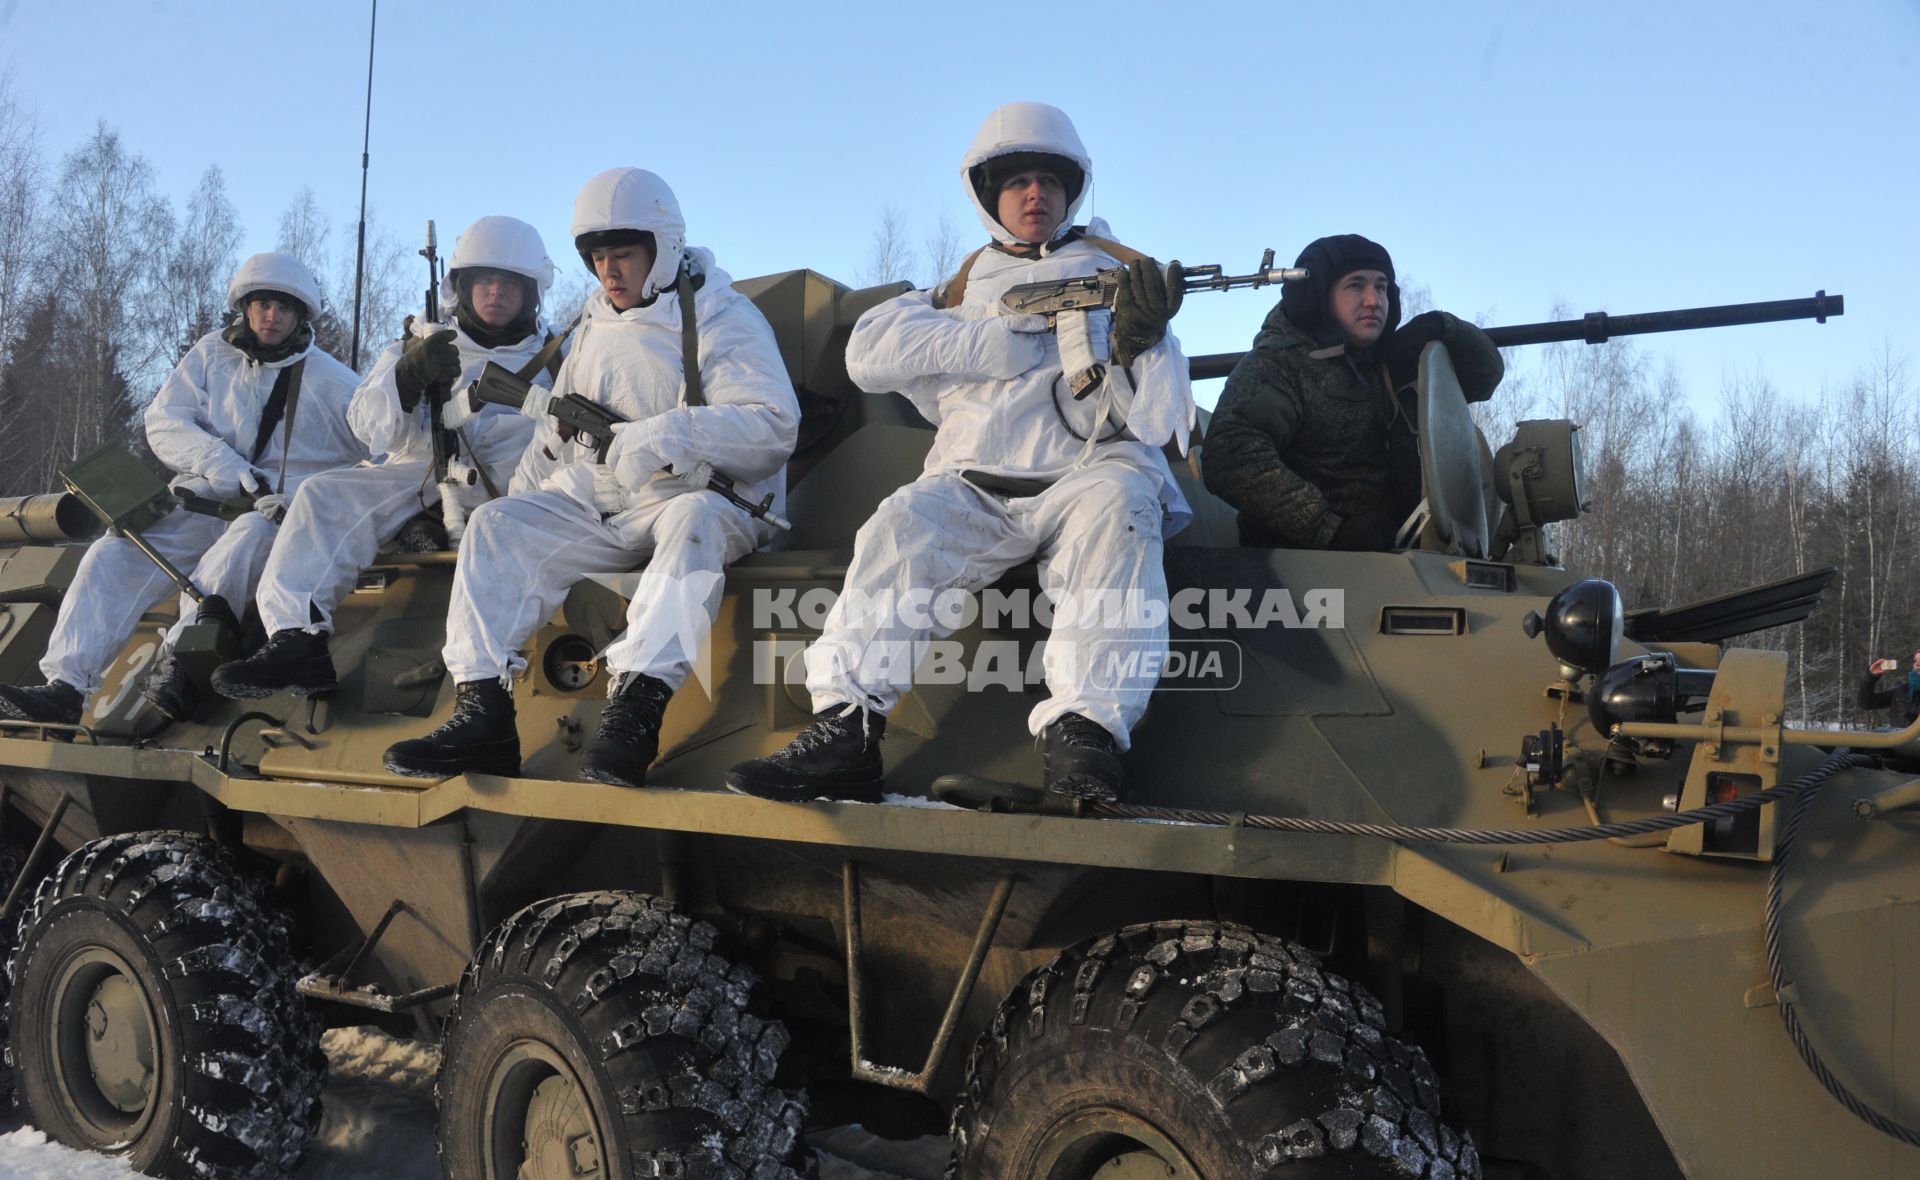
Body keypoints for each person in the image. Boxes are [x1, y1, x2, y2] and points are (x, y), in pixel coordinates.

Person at [725, 100, 1193, 805]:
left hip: (1087, 475)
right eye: (1018, 182)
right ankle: (846, 729)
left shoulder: (1123, 279)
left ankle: (1086, 739)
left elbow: (1161, 423)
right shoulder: (960, 285)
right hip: (975, 485)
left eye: (1050, 181)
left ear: (1072, 191)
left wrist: (1142, 343)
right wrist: (986, 340)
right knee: (899, 528)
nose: (1036, 195)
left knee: (1124, 510)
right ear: (987, 195)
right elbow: (868, 353)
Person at [381, 167, 799, 786]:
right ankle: (484, 714)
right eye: (598, 257)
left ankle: (634, 711)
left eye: (624, 255)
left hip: (700, 494)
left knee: (695, 523)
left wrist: (664, 434)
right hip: (604, 497)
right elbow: (557, 436)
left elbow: (772, 427)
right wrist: (519, 506)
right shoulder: (594, 322)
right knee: (495, 526)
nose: (609, 271)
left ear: (663, 249)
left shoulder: (721, 318)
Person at [0, 252, 363, 725]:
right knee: (111, 557)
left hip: (274, 514)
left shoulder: (332, 382)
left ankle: (180, 665)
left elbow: (383, 447)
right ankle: (66, 688)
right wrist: (222, 464)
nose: (272, 316)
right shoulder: (212, 355)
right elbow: (164, 421)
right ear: (246, 307)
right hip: (205, 500)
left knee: (239, 548)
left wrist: (305, 496)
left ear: (300, 316)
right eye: (263, 304)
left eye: (284, 308)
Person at [211, 216, 562, 700]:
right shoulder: (420, 339)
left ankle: (482, 684)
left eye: (508, 283)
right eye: (483, 281)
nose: (495, 293)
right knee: (322, 495)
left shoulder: (558, 357)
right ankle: (297, 637)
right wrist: (407, 378)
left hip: (515, 486)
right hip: (420, 469)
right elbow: (369, 426)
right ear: (461, 286)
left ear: (529, 291)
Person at [1200, 234, 1504, 550]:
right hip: (1302, 570)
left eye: (1382, 287)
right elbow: (1231, 455)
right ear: (1317, 296)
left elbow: (1486, 376)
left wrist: (1445, 328)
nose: (1373, 300)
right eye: (1356, 285)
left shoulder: (1387, 363)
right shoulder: (1280, 366)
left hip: (1397, 558)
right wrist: (1328, 529)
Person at [1859, 651, 1920, 728]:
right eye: (1915, 660)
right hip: (1899, 739)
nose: (1917, 664)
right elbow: (1866, 703)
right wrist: (1871, 677)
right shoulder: (1902, 691)